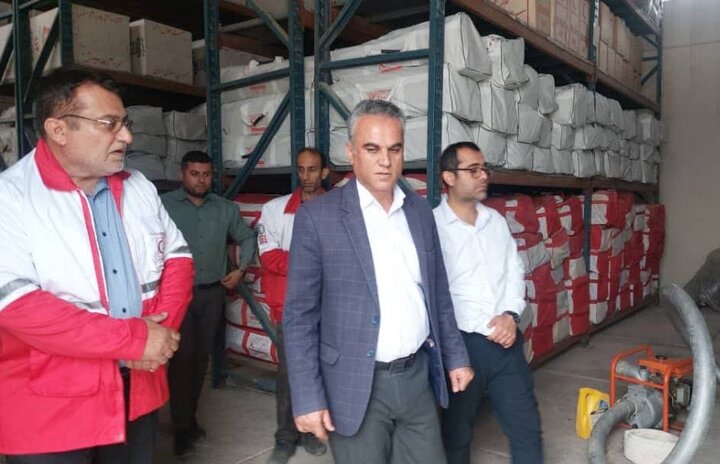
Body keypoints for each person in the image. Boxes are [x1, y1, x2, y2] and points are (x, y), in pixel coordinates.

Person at [0, 67, 193, 463]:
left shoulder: (139, 186)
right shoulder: (11, 198)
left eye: (125, 123)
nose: (126, 137)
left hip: (137, 383)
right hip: (52, 402)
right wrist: (135, 340)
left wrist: (158, 337)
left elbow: (178, 258)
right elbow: (19, 307)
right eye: (109, 124)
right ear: (58, 130)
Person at [283, 99, 474, 464]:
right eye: (372, 149)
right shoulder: (318, 217)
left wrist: (455, 356)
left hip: (416, 377)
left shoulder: (420, 211)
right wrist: (307, 396)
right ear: (351, 152)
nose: (385, 160)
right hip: (354, 382)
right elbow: (299, 316)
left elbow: (438, 294)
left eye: (394, 149)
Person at [434, 142, 543, 464]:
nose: (483, 176)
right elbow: (436, 293)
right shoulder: (432, 227)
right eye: (473, 170)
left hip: (505, 342)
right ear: (449, 177)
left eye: (484, 169)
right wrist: (482, 327)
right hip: (461, 346)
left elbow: (514, 271)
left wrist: (510, 316)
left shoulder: (495, 221)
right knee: (456, 434)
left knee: (526, 427)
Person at [162, 150, 257, 457]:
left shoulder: (225, 209)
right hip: (177, 295)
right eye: (194, 174)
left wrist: (240, 270)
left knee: (200, 359)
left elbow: (247, 237)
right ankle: (182, 428)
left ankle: (187, 419)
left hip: (211, 294)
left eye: (206, 175)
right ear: (182, 174)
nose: (201, 181)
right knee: (182, 360)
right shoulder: (163, 206)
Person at [257, 147, 330, 463]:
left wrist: (302, 261)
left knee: (324, 372)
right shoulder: (275, 210)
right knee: (290, 375)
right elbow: (270, 258)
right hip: (291, 308)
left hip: (329, 308)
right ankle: (285, 438)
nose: (306, 176)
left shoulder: (338, 208)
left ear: (324, 172)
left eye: (312, 169)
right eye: (301, 169)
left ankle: (313, 433)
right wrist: (316, 262)